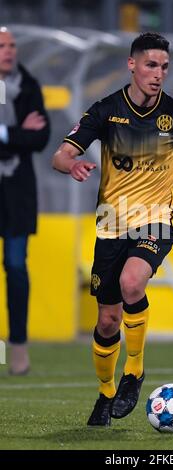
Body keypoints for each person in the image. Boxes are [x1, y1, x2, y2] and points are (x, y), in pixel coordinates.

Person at [52, 32, 173, 426]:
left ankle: (134, 372)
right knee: (107, 320)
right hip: (112, 225)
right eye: (151, 65)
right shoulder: (106, 111)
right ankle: (105, 394)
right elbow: (61, 154)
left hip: (159, 219)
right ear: (132, 65)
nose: (158, 74)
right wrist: (72, 164)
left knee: (134, 283)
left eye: (164, 67)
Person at [0, 27, 50, 374]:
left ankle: (17, 347)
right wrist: (16, 133)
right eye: (2, 45)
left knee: (16, 267)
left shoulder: (28, 86)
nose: (8, 51)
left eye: (12, 45)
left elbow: (41, 137)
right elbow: (27, 136)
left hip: (17, 193)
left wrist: (6, 135)